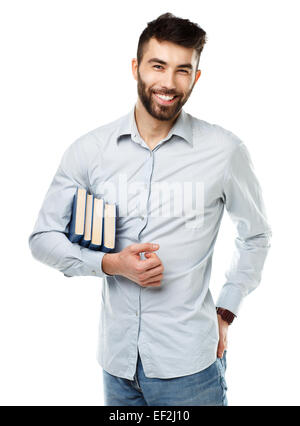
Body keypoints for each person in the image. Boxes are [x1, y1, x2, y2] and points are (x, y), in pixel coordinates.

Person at [28, 12, 272, 406]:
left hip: (190, 369)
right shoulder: (91, 151)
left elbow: (256, 235)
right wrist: (112, 264)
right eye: (158, 66)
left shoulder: (225, 152)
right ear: (135, 68)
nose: (169, 83)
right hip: (117, 367)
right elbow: (43, 238)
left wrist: (226, 310)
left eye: (183, 70)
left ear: (195, 77)